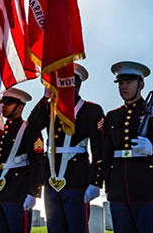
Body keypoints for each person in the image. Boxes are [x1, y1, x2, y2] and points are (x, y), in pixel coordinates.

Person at [103, 61, 153, 233]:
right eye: (121, 83)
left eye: (129, 82)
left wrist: (152, 148)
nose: (123, 87)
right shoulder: (112, 116)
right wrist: (105, 185)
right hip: (119, 192)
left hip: (149, 191)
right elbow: (106, 154)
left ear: (141, 85)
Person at [27, 63, 105, 233]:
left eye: (68, 82)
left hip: (77, 180)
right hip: (51, 179)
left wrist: (95, 182)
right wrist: (44, 98)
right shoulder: (50, 108)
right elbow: (31, 127)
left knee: (76, 228)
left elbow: (100, 149)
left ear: (78, 84)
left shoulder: (91, 110)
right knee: (54, 229)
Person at [0, 87, 44, 233]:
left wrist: (33, 193)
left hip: (18, 193)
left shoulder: (28, 129)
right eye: (2, 102)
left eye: (8, 103)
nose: (3, 106)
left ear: (20, 107)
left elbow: (37, 163)